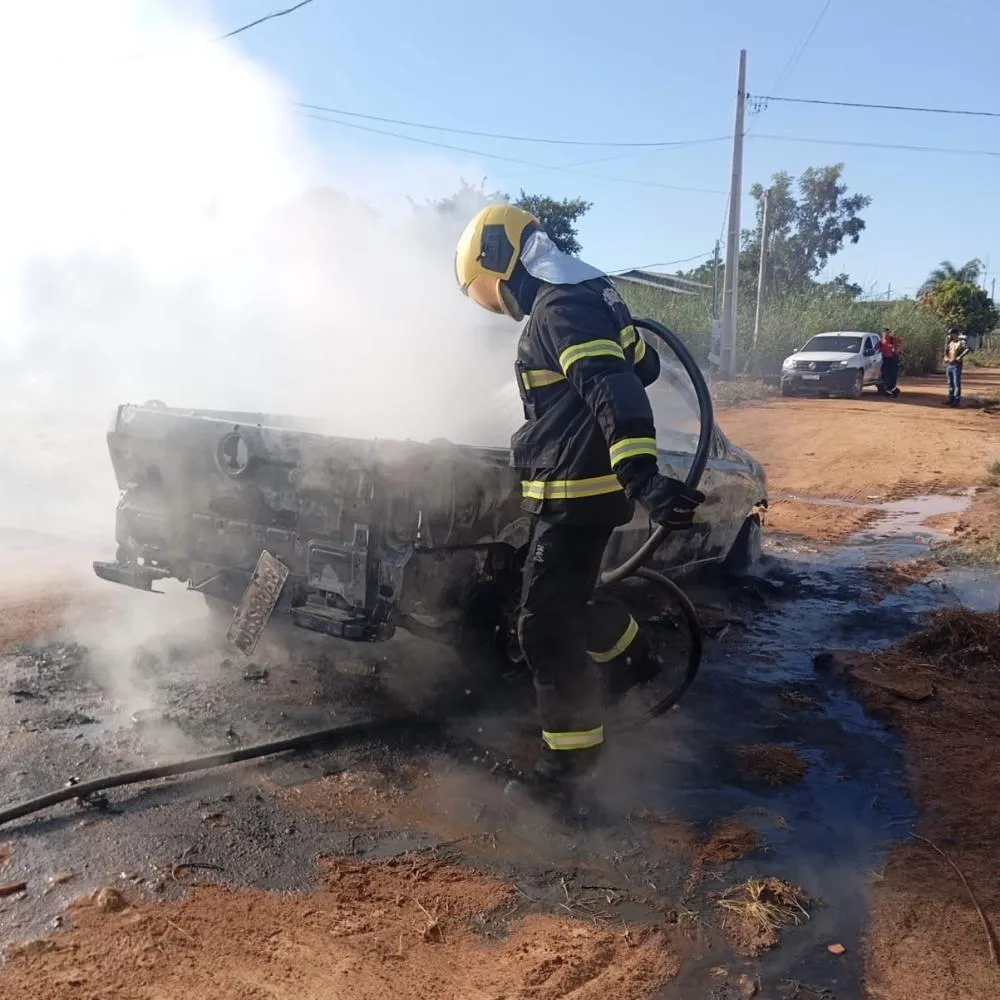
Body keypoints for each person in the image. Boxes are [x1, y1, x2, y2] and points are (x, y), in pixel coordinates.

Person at [454, 203, 705, 792]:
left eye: (487, 290)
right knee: (572, 598)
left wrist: (643, 476)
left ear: (499, 259)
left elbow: (612, 385)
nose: (496, 302)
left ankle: (567, 767)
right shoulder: (590, 293)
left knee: (542, 628)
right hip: (579, 490)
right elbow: (638, 365)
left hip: (576, 493)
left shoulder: (560, 306)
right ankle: (634, 660)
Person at [943, 327, 970, 406]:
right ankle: (950, 399)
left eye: (952, 334)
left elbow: (967, 349)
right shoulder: (950, 343)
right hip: (949, 364)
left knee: (956, 383)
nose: (951, 336)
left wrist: (960, 356)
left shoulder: (961, 342)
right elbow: (946, 351)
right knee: (950, 383)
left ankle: (956, 400)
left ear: (956, 334)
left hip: (956, 365)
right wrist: (945, 357)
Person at [877, 327, 902, 397]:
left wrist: (897, 349)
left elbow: (900, 343)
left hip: (893, 359)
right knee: (885, 375)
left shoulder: (893, 339)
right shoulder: (881, 341)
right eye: (884, 333)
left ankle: (891, 391)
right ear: (882, 334)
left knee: (893, 375)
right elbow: (876, 349)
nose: (886, 335)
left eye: (887, 333)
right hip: (885, 360)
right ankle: (893, 390)